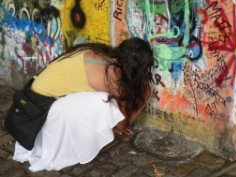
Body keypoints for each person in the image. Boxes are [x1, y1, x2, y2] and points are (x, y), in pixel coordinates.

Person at [10, 37, 155, 171]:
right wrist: (143, 100)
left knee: (98, 98)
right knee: (102, 102)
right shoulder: (109, 76)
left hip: (32, 100)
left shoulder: (102, 54)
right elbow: (123, 124)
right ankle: (70, 147)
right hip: (38, 112)